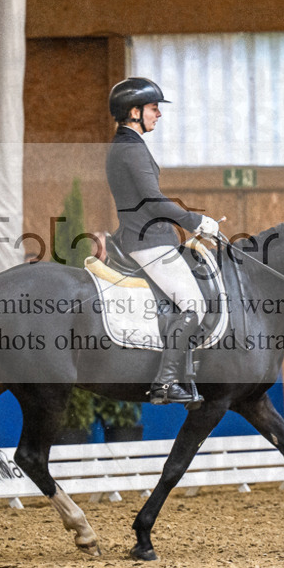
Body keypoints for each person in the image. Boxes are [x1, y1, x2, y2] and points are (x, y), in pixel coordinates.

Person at [105, 77, 219, 405]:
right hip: (148, 240)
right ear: (134, 111)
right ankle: (166, 383)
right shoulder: (129, 148)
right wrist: (197, 221)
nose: (158, 114)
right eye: (154, 108)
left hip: (148, 236)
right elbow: (152, 202)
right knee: (194, 304)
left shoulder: (130, 145)